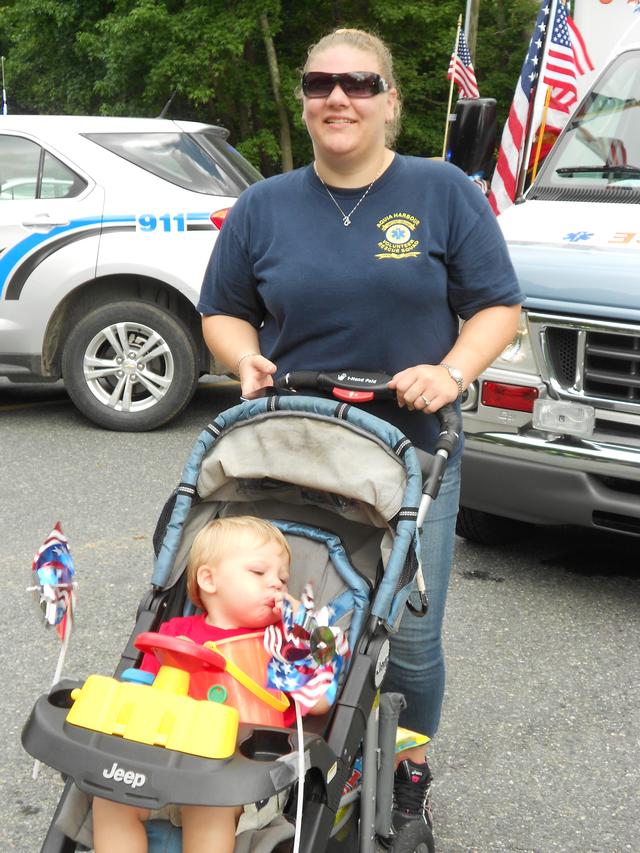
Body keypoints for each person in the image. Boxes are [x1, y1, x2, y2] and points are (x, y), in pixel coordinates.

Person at [197, 27, 524, 833]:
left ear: (391, 104)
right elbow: (223, 312)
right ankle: (303, 750)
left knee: (406, 640)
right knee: (289, 610)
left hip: (412, 453)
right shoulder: (265, 205)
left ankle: (408, 765)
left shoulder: (444, 191)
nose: (337, 97)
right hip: (293, 447)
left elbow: (497, 307)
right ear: (305, 100)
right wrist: (244, 359)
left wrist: (450, 370)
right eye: (319, 84)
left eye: (359, 84)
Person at [92, 516, 328, 853]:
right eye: (259, 573)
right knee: (110, 798)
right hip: (163, 768)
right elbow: (141, 695)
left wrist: (301, 632)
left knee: (208, 805)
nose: (277, 585)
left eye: (283, 579)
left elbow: (318, 703)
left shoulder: (279, 645)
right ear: (209, 579)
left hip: (241, 781)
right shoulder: (173, 634)